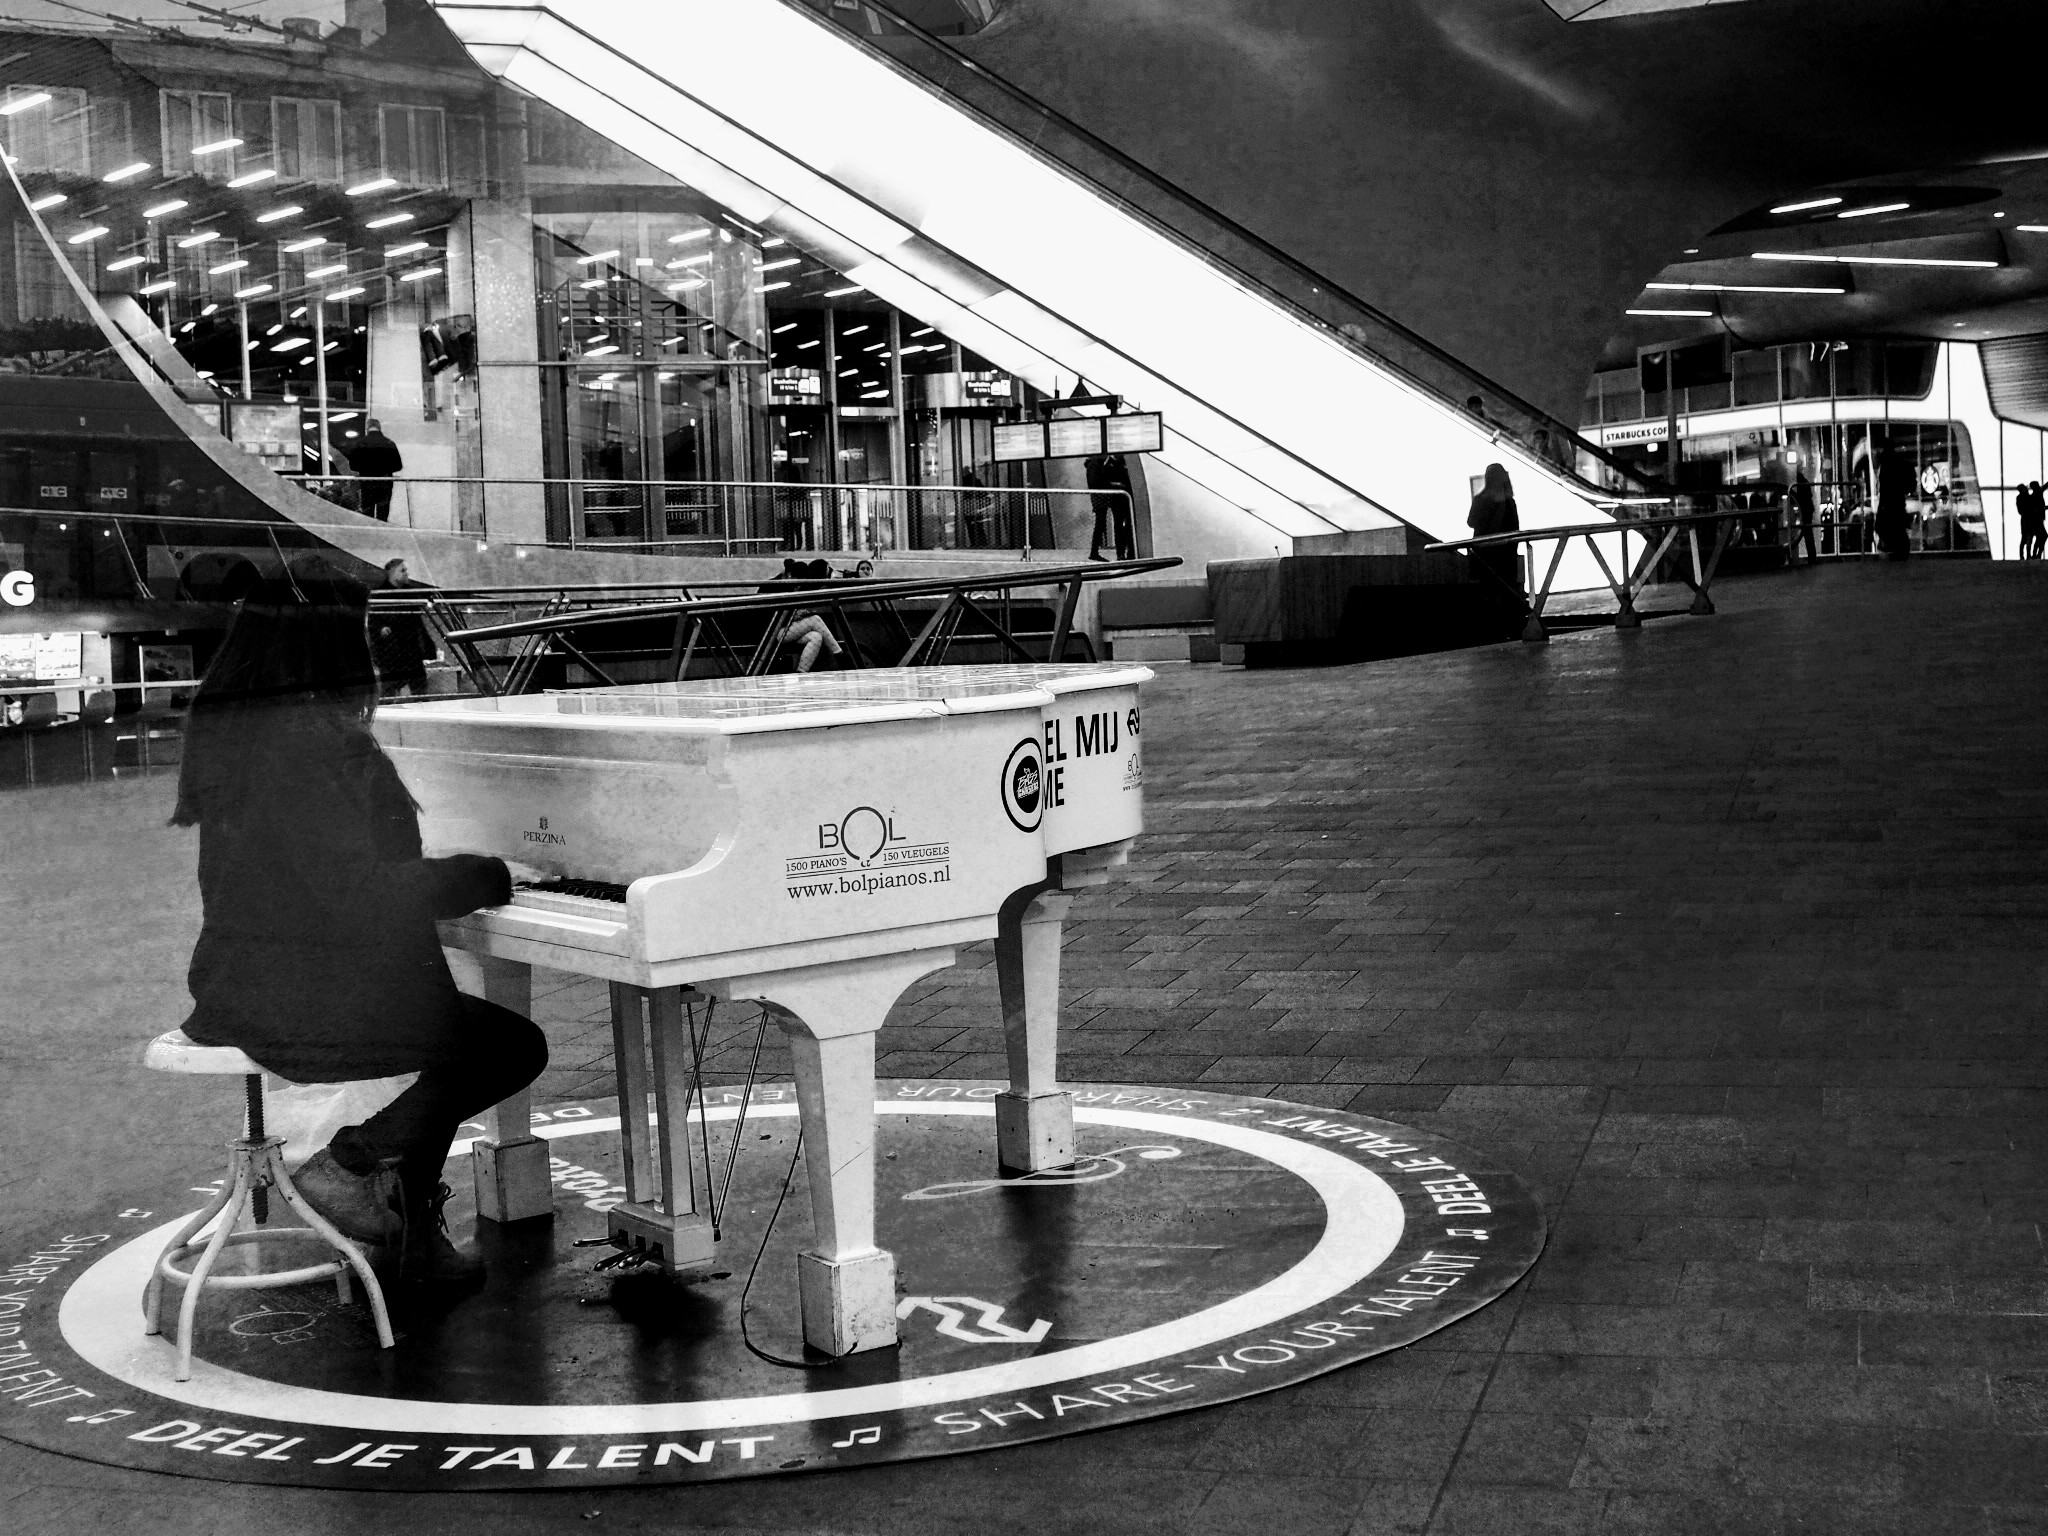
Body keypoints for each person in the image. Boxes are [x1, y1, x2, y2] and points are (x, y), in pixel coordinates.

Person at [172, 574, 548, 1286]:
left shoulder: (240, 731)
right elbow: (359, 892)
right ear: (332, 642)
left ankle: (407, 1238)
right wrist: (492, 874)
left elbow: (323, 879)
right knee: (503, 1047)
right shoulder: (310, 748)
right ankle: (350, 1168)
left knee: (456, 1038)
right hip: (301, 997)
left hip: (247, 979)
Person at [1466, 462, 1526, 639]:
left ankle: (1490, 631)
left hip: (1484, 555)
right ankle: (1510, 629)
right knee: (1507, 592)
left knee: (1487, 593)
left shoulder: (1481, 499)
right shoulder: (1509, 502)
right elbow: (1515, 530)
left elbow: (1471, 522)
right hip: (1506, 556)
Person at [369, 558, 438, 697]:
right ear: (392, 573)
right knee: (390, 688)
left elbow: (418, 622)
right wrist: (381, 629)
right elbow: (373, 621)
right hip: (391, 650)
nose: (407, 574)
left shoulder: (409, 592)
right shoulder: (380, 594)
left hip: (409, 647)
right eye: (403, 570)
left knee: (418, 686)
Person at [760, 557, 843, 673]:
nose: (798, 588)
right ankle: (840, 655)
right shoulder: (771, 587)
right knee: (815, 620)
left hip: (787, 629)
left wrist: (798, 614)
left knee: (816, 637)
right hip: (773, 632)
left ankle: (801, 672)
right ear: (790, 576)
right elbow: (765, 616)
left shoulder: (789, 586)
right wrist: (792, 616)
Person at [347, 420, 404, 522]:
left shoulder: (359, 444)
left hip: (367, 484)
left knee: (367, 514)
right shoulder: (389, 443)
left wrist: (365, 468)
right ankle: (381, 534)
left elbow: (353, 466)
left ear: (367, 428)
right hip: (384, 483)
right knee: (382, 514)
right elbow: (398, 466)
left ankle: (370, 535)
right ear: (379, 427)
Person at [1084, 452, 1135, 561]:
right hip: (1103, 498)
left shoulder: (1103, 464)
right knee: (1102, 523)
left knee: (1107, 524)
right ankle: (1095, 552)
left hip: (1108, 498)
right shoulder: (1097, 464)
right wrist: (1114, 485)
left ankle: (1098, 552)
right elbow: (1096, 482)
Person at [1873, 449, 1912, 560]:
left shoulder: (1885, 469)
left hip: (1889, 509)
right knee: (1898, 535)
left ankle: (1894, 555)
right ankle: (1899, 555)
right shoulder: (1895, 468)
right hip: (1896, 509)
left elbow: (1884, 493)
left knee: (1891, 536)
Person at [1787, 470, 1818, 566]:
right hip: (1807, 510)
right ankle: (1812, 557)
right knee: (1808, 534)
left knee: (1799, 534)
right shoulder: (1804, 482)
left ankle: (1792, 556)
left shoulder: (1795, 484)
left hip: (1803, 511)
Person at [2019, 482, 2046, 560]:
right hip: (2036, 521)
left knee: (2033, 537)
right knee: (2041, 536)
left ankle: (2033, 554)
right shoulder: (2036, 494)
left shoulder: (2031, 496)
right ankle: (2035, 554)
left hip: (2032, 521)